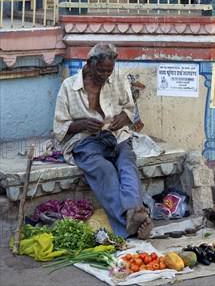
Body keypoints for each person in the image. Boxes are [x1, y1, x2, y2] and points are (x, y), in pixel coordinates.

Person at [53, 42, 153, 239]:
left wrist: (122, 118)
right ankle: (130, 219)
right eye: (100, 71)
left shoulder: (118, 78)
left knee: (127, 163)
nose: (105, 76)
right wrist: (83, 124)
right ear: (90, 63)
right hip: (86, 141)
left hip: (116, 135)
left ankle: (135, 211)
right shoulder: (69, 87)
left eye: (109, 71)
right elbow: (59, 128)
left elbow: (129, 110)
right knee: (105, 169)